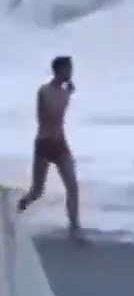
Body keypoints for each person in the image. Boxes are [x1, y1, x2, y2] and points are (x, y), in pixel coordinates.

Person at [17, 56, 84, 242]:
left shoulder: (64, 92)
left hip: (60, 144)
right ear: (59, 70)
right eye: (68, 69)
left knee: (72, 185)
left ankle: (74, 227)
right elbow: (48, 116)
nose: (71, 73)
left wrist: (67, 96)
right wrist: (66, 96)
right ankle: (16, 210)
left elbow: (60, 115)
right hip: (44, 144)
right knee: (37, 191)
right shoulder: (44, 91)